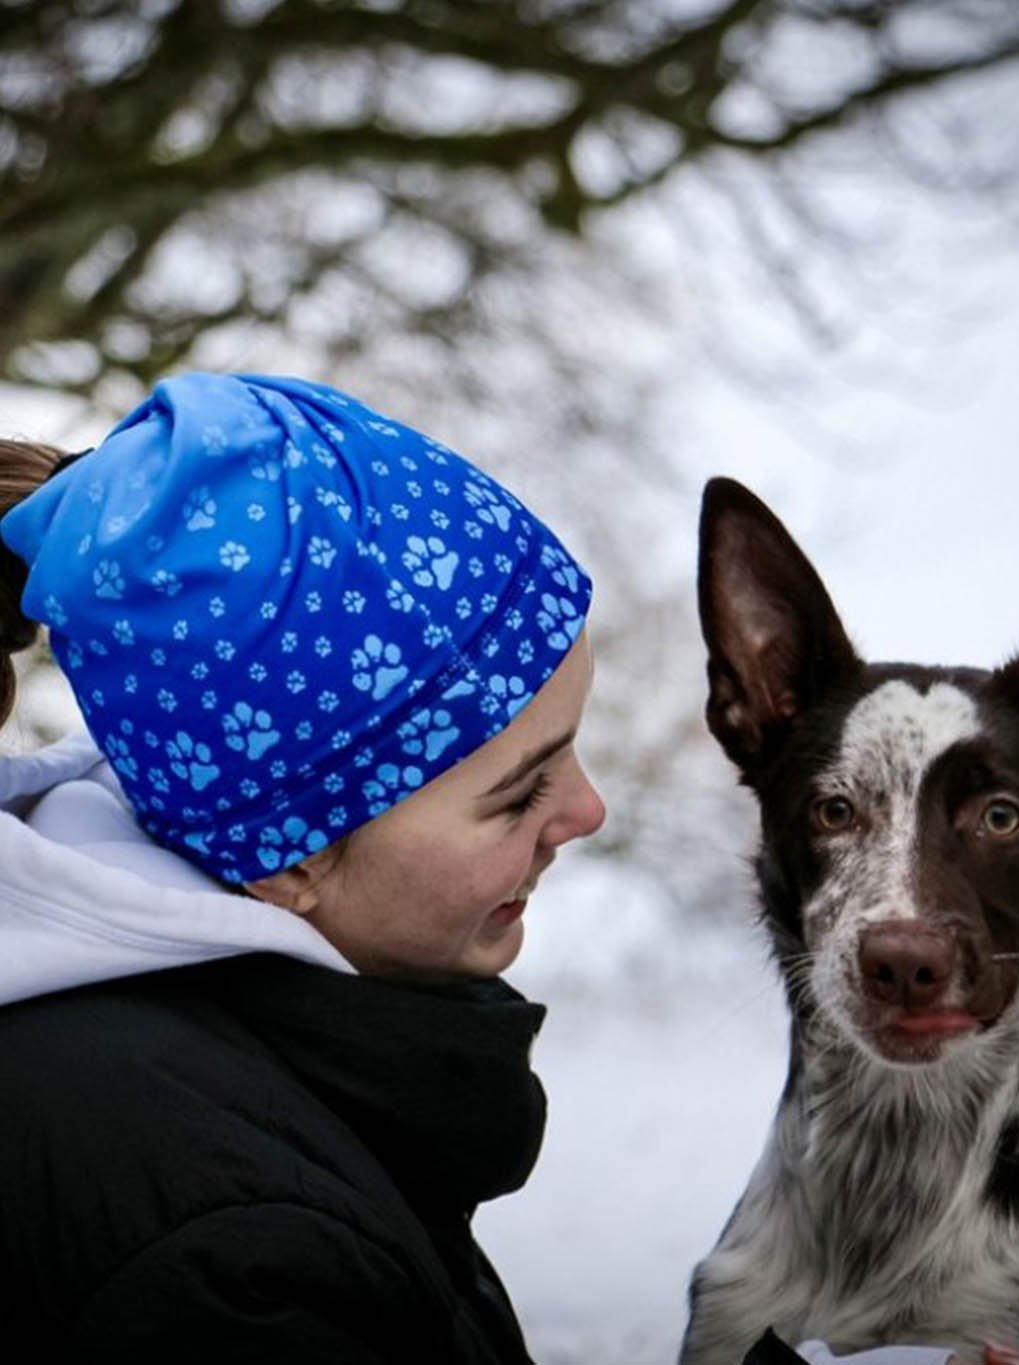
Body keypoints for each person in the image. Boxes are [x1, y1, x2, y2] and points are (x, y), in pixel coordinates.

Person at [0, 372, 605, 1362]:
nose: (587, 810)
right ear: (290, 860)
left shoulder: (208, 1097)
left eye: (570, 746)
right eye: (514, 792)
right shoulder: (230, 1258)